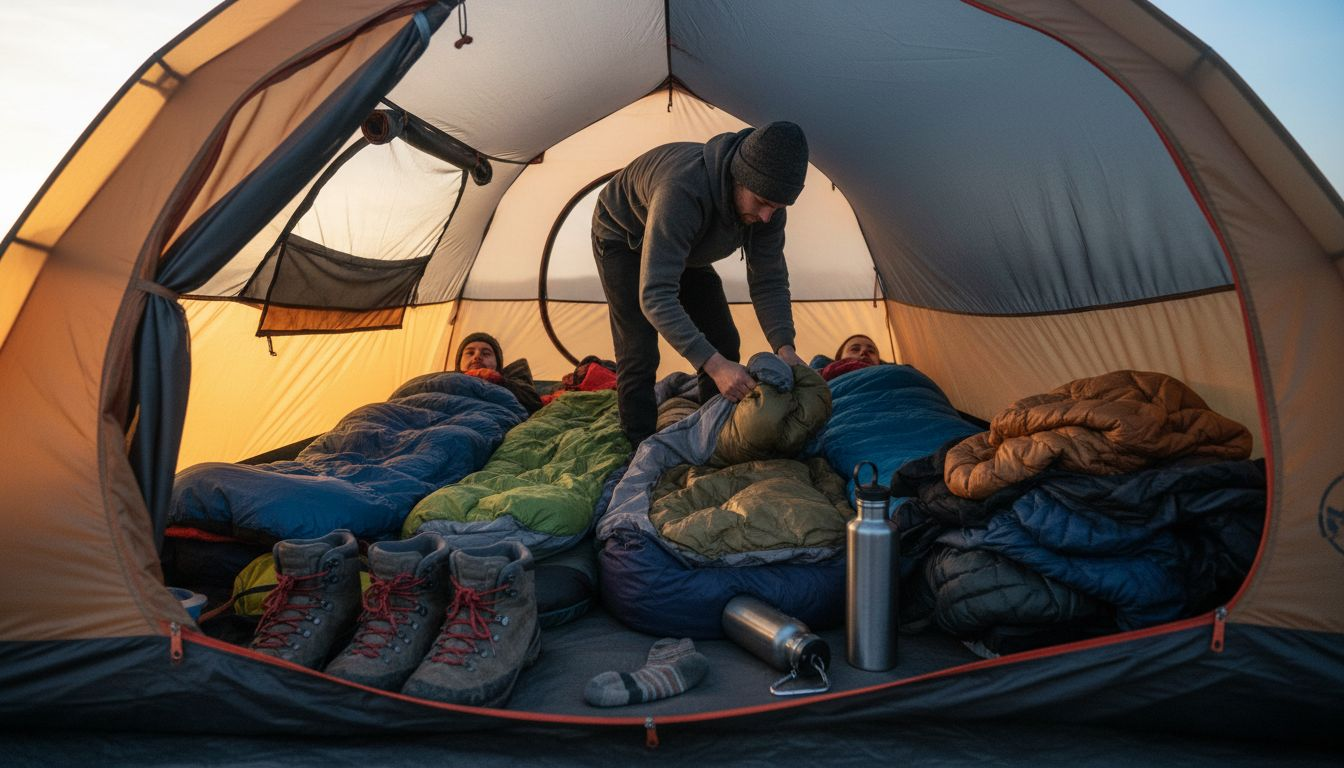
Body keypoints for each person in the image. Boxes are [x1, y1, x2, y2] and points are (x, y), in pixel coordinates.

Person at [591, 121, 810, 445]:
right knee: (639, 350)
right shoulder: (682, 191)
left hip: (685, 245)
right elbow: (655, 295)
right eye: (762, 202)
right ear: (741, 178)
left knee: (722, 338)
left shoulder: (770, 207)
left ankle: (714, 435)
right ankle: (637, 446)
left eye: (777, 208)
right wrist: (716, 367)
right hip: (624, 238)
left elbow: (769, 279)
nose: (767, 216)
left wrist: (785, 347)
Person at [453, 331, 543, 414]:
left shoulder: (518, 388)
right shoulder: (442, 381)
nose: (477, 357)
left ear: (497, 363)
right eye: (470, 353)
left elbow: (535, 406)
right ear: (459, 362)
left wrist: (499, 381)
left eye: (486, 353)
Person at [819, 334, 883, 382]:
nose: (864, 351)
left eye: (871, 351)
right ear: (839, 358)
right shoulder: (817, 380)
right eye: (855, 349)